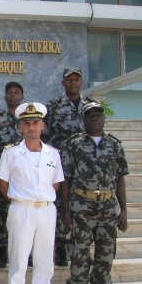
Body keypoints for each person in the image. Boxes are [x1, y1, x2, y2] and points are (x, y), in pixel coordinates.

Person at [0, 102, 64, 284]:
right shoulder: (11, 154)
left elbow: (55, 184)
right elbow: (3, 183)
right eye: (27, 123)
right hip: (21, 209)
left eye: (35, 123)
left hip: (46, 210)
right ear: (20, 127)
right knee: (18, 260)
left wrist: (39, 198)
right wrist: (21, 198)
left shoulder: (53, 154)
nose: (32, 127)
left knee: (45, 261)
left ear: (42, 125)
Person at [61, 102, 128, 284]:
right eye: (91, 116)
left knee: (106, 253)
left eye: (98, 115)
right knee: (79, 252)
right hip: (81, 204)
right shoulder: (74, 145)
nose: (95, 119)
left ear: (104, 118)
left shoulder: (115, 145)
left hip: (108, 207)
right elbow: (66, 179)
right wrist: (66, 211)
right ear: (84, 120)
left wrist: (123, 210)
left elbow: (120, 179)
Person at [43, 67, 95, 267]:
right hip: (61, 164)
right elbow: (45, 135)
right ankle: (60, 247)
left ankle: (82, 248)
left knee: (84, 207)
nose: (73, 83)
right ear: (63, 83)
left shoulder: (90, 106)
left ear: (81, 82)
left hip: (85, 166)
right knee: (59, 205)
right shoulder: (54, 106)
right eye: (69, 80)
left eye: (76, 80)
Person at [0, 82, 24, 268]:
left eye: (17, 93)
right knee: (2, 213)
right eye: (10, 93)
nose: (13, 96)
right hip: (2, 173)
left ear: (22, 97)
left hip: (24, 174)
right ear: (4, 97)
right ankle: (2, 251)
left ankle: (25, 252)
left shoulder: (28, 119)